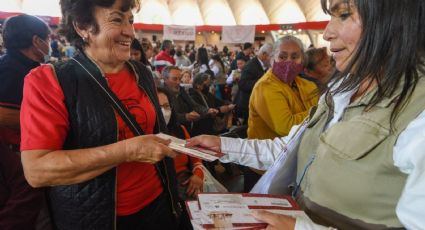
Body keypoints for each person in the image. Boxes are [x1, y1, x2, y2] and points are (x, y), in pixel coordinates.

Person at [187, 0, 425, 229]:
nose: (327, 33)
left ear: (395, 18)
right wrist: (223, 145)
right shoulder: (342, 89)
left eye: (343, 15)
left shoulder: (416, 111)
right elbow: (290, 150)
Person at [19, 0, 188, 229]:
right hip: (97, 217)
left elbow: (154, 132)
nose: (130, 32)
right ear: (82, 26)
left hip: (158, 204)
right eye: (117, 19)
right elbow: (37, 171)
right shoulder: (50, 80)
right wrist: (127, 150)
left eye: (131, 21)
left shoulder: (142, 73)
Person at [243, 36, 318, 192]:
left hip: (292, 166)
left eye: (295, 57)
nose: (288, 62)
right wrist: (321, 109)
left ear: (302, 60)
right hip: (265, 168)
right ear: (272, 59)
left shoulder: (307, 85)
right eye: (282, 57)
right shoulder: (265, 87)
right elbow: (286, 127)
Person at [0, 14, 51, 229]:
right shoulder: (16, 71)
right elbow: (3, 114)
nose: (49, 43)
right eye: (47, 38)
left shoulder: (10, 64)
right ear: (36, 41)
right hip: (16, 157)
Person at [157, 88, 204, 201]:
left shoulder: (180, 130)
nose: (163, 111)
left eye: (166, 106)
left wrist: (198, 174)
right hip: (160, 191)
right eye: (158, 106)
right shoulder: (141, 138)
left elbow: (196, 159)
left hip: (184, 182)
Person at [234, 43, 273, 125]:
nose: (272, 59)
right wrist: (262, 81)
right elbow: (242, 84)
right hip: (247, 104)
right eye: (271, 56)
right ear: (264, 54)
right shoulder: (251, 65)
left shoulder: (261, 64)